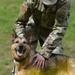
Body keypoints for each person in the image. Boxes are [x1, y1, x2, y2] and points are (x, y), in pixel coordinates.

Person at [15, 0, 70, 69]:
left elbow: (59, 29)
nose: (49, 5)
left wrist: (44, 53)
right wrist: (22, 40)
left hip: (51, 31)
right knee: (22, 57)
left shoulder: (64, 3)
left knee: (57, 61)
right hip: (32, 26)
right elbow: (20, 22)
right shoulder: (31, 1)